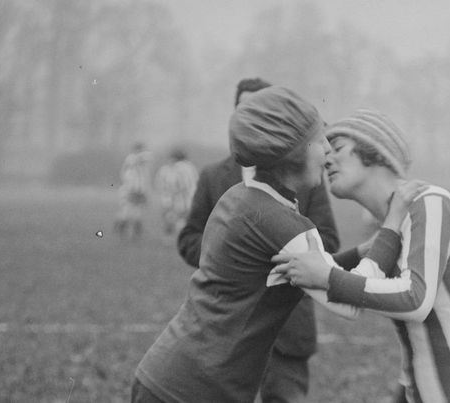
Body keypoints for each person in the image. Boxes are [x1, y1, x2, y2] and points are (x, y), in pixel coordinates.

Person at [133, 87, 418, 403]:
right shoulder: (280, 221)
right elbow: (351, 302)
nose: (327, 151)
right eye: (320, 140)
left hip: (168, 377)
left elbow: (306, 268)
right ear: (293, 151)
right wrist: (391, 226)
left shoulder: (242, 197)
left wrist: (360, 253)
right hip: (192, 391)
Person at [271, 109, 450, 403]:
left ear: (377, 153)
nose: (327, 159)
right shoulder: (390, 230)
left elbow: (416, 299)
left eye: (339, 148)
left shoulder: (429, 202)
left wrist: (328, 276)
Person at [176, 78, 340, 403]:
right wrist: (236, 257)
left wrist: (286, 251)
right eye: (246, 110)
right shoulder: (214, 178)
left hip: (288, 330)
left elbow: (328, 240)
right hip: (230, 331)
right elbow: (190, 239)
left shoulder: (307, 173)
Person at [155, 148, 198, 239]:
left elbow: (176, 184)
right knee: (183, 219)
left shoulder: (176, 168)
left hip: (179, 197)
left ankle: (175, 237)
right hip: (191, 197)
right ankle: (182, 237)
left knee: (172, 217)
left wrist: (171, 197)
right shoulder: (191, 166)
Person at [115, 142, 153, 240]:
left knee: (132, 210)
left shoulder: (131, 159)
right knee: (133, 210)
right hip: (135, 189)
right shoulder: (134, 158)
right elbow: (145, 157)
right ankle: (127, 230)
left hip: (136, 188)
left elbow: (123, 173)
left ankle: (127, 231)